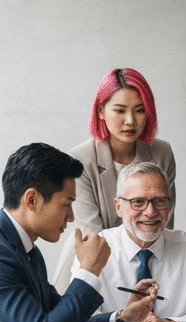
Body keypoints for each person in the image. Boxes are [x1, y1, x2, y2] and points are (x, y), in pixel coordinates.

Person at [0, 143, 158, 322]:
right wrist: (87, 271)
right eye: (66, 204)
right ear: (31, 199)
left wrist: (122, 320)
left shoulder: (28, 251)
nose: (72, 216)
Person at [72, 162, 186, 322]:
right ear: (118, 206)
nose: (150, 212)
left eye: (159, 201)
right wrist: (121, 321)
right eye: (138, 202)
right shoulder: (95, 250)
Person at [53, 67, 176, 293]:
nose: (130, 121)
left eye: (140, 110)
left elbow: (163, 219)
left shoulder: (162, 152)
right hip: (92, 263)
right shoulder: (79, 160)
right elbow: (94, 233)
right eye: (120, 111)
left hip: (148, 261)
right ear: (101, 110)